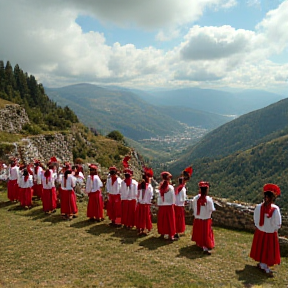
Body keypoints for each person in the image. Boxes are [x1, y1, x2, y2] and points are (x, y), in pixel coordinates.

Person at [250, 183, 281, 277]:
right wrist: (274, 229)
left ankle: (261, 263)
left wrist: (259, 227)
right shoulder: (275, 209)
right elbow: (278, 223)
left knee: (260, 247)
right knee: (268, 250)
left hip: (260, 231)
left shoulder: (258, 207)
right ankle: (264, 266)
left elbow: (255, 219)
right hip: (270, 232)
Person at [191, 181, 215, 255]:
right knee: (205, 233)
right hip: (206, 218)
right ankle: (205, 245)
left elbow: (192, 206)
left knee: (199, 231)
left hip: (198, 218)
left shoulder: (195, 198)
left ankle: (199, 242)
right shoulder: (209, 200)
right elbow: (211, 209)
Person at [157, 171, 176, 241]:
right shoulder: (171, 188)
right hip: (169, 206)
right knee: (170, 221)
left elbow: (159, 197)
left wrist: (160, 204)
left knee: (162, 220)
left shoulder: (160, 187)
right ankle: (171, 235)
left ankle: (162, 233)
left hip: (162, 206)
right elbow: (173, 198)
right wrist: (173, 203)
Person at [174, 166, 192, 239]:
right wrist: (185, 201)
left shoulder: (178, 188)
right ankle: (177, 232)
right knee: (179, 220)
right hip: (179, 205)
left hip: (176, 205)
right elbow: (182, 198)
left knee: (176, 219)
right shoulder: (182, 189)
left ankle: (175, 231)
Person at [135, 167, 154, 236]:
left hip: (140, 204)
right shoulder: (149, 187)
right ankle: (145, 228)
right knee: (146, 217)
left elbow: (137, 194)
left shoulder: (139, 185)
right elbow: (151, 195)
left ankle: (140, 228)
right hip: (146, 204)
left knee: (140, 217)